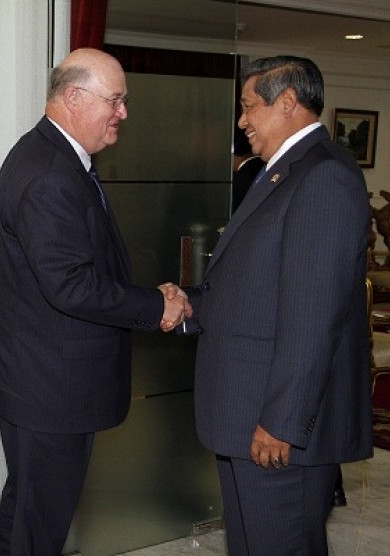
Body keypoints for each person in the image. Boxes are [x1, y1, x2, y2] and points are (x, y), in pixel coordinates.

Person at [0, 48, 190, 555]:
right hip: (50, 388)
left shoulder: (50, 155)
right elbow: (70, 284)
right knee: (40, 527)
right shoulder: (51, 171)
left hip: (39, 377)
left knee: (25, 512)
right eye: (114, 100)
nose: (123, 113)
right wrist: (153, 305)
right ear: (74, 97)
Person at [187, 56, 373, 555]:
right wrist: (186, 304)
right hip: (245, 414)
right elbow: (253, 288)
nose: (242, 120)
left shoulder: (324, 177)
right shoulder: (281, 173)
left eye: (249, 107)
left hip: (275, 429)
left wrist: (282, 422)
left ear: (287, 103)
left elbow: (314, 316)